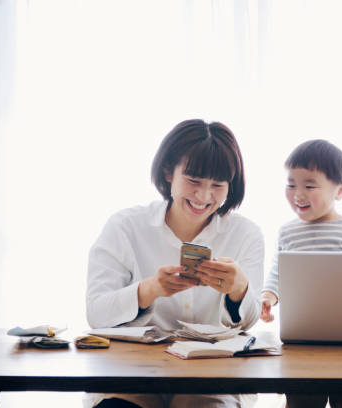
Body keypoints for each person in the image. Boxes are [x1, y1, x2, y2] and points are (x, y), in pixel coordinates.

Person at [86, 119, 264, 408]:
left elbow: (248, 322)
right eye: (193, 181)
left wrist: (239, 289)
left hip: (212, 377)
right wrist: (150, 289)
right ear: (169, 172)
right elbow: (96, 312)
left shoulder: (246, 234)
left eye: (217, 185)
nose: (204, 197)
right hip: (132, 374)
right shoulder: (125, 226)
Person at [260, 139, 342, 408]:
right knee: (301, 400)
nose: (297, 194)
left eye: (309, 186)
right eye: (291, 184)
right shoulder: (287, 232)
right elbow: (279, 271)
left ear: (341, 190)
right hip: (300, 337)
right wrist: (268, 296)